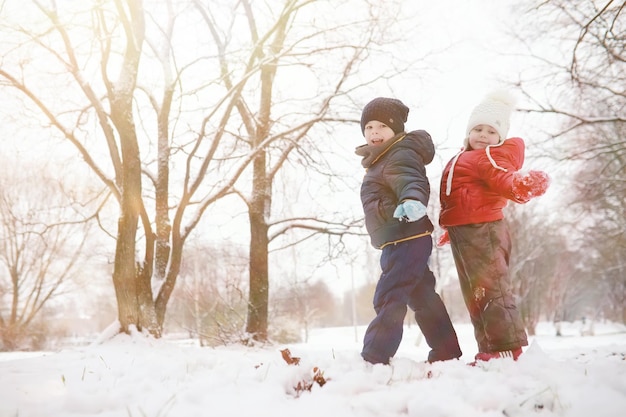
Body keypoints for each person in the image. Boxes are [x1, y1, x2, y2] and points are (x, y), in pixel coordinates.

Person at [438, 90, 550, 364]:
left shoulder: (488, 157)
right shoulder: (466, 157)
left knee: (491, 289)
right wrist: (451, 226)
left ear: (500, 137)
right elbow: (462, 195)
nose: (483, 135)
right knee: (476, 294)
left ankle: (506, 348)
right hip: (466, 230)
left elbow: (502, 178)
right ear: (468, 132)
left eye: (491, 131)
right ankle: (489, 348)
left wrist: (519, 185)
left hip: (484, 230)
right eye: (478, 129)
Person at [355, 97, 462, 365]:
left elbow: (411, 179)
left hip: (405, 236)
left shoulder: (399, 153)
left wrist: (412, 200)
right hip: (400, 239)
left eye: (382, 126)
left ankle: (375, 355)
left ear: (396, 129)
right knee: (422, 295)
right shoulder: (380, 158)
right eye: (369, 127)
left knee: (390, 293)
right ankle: (447, 351)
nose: (375, 132)